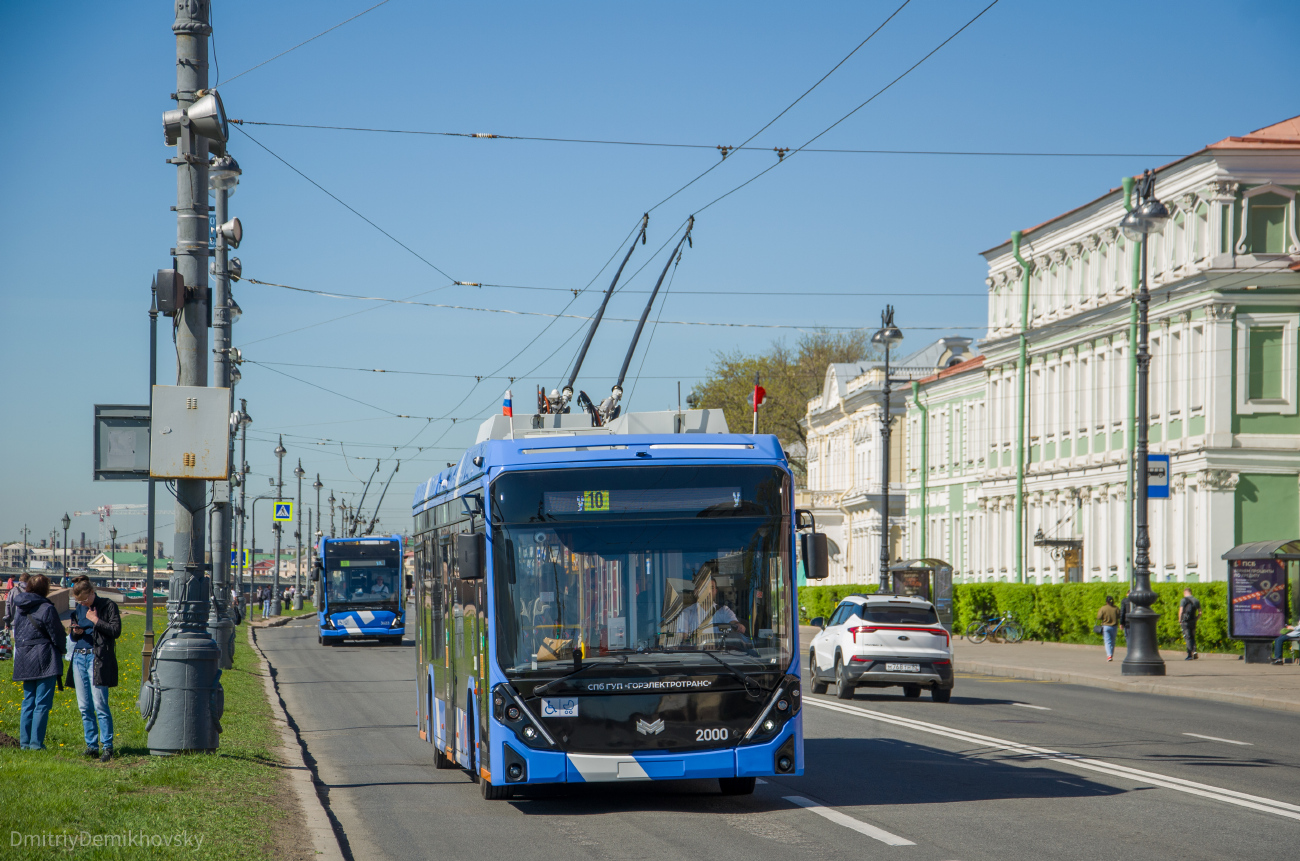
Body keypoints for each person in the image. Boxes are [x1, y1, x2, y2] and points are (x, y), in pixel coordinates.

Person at [68, 576, 121, 761]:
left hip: (97, 658)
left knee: (100, 704)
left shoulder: (108, 606)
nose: (82, 604)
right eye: (79, 602)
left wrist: (96, 620)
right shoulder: (80, 608)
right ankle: (91, 745)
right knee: (84, 706)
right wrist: (75, 632)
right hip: (79, 656)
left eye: (84, 600)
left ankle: (107, 746)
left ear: (92, 592)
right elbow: (73, 636)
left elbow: (115, 631)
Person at [12, 575, 66, 750]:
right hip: (45, 657)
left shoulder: (20, 607)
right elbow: (57, 634)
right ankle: (36, 743)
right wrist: (62, 649)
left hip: (24, 657)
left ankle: (24, 742)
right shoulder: (46, 608)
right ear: (45, 589)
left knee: (28, 701)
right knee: (42, 703)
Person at [675, 572, 745, 646]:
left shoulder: (724, 611)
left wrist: (738, 626)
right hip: (696, 652)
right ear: (696, 591)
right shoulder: (686, 613)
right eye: (704, 588)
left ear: (715, 591)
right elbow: (682, 638)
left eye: (711, 588)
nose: (708, 592)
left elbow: (734, 623)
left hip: (720, 652)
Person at [1177, 588, 1201, 661]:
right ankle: (1194, 651)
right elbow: (1200, 613)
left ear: (1185, 593)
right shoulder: (1196, 600)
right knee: (1192, 636)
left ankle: (1189, 654)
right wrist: (1196, 619)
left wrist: (1180, 620)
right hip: (1193, 621)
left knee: (1187, 637)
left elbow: (1181, 611)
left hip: (1185, 621)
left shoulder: (1184, 600)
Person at [1096, 596, 1120, 662]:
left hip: (1106, 626)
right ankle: (1111, 654)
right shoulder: (1116, 608)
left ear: (1106, 602)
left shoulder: (1103, 608)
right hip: (1114, 626)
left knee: (1107, 641)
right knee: (1113, 641)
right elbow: (1119, 616)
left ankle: (1109, 655)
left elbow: (1099, 617)